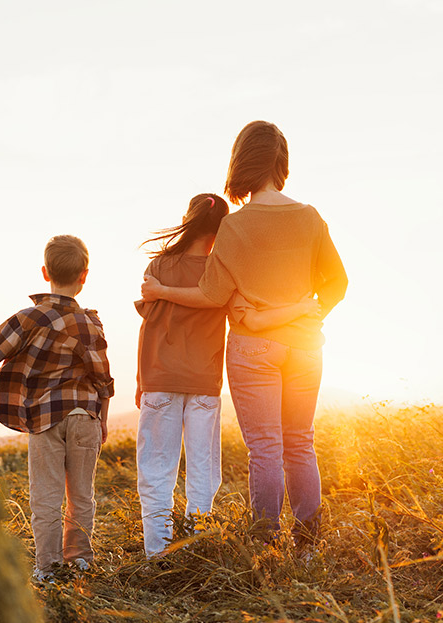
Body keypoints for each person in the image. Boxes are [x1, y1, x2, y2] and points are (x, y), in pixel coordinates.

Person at [141, 121, 347, 553]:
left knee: (267, 449)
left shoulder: (234, 227)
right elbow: (337, 283)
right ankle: (307, 548)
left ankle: (266, 547)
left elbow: (212, 294)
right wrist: (308, 312)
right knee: (300, 443)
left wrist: (161, 292)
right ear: (282, 162)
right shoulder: (310, 217)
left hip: (253, 349)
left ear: (241, 163)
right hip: (306, 346)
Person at [134, 194, 319, 558]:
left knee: (156, 472)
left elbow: (148, 325)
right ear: (223, 230)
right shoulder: (224, 270)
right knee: (203, 474)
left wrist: (142, 380)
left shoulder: (158, 267)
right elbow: (228, 306)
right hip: (204, 383)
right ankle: (196, 546)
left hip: (159, 379)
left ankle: (158, 556)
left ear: (188, 218)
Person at [0, 236, 114, 583]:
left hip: (45, 419)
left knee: (46, 498)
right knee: (82, 496)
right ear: (85, 276)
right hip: (85, 417)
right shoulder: (91, 323)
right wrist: (102, 419)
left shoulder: (30, 317)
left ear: (45, 272)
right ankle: (79, 560)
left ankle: (47, 567)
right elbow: (103, 377)